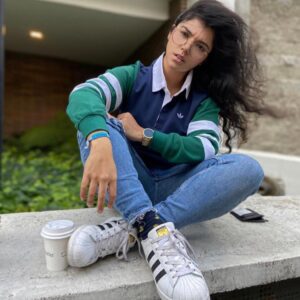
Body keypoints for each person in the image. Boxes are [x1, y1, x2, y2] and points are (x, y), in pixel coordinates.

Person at [65, 0, 276, 299]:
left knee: (249, 169)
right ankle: (153, 228)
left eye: (200, 47)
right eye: (185, 34)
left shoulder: (203, 100)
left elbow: (202, 148)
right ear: (171, 31)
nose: (186, 48)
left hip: (175, 189)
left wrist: (144, 134)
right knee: (100, 123)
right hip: (130, 182)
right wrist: (99, 139)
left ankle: (137, 225)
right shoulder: (131, 77)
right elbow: (84, 93)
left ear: (205, 57)